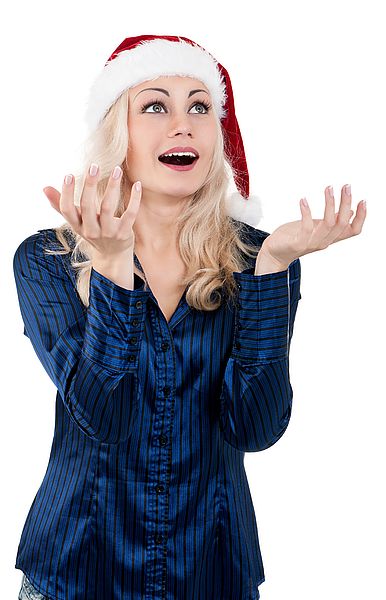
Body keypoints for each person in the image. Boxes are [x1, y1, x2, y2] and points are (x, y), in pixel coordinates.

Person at [13, 35, 366, 600]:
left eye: (199, 107)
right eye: (155, 105)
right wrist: (110, 270)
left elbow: (256, 428)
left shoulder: (258, 258)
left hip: (213, 574)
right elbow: (103, 416)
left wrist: (272, 270)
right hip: (77, 574)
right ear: (117, 134)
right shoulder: (49, 260)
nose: (183, 125)